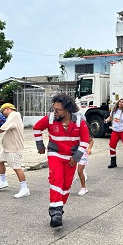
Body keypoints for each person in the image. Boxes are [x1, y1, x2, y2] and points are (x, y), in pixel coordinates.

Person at [33, 93, 90, 228]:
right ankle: (55, 213)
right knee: (56, 180)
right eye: (54, 109)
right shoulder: (50, 118)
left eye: (58, 110)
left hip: (71, 158)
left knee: (66, 186)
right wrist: (40, 145)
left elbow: (85, 141)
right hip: (55, 154)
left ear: (67, 110)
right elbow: (36, 128)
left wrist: (76, 157)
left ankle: (58, 208)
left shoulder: (79, 122)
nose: (55, 112)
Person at [0, 103, 30, 198]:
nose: (2, 113)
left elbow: (4, 127)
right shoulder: (12, 117)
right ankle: (3, 181)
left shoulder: (14, 115)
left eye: (2, 111)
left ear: (8, 108)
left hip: (14, 148)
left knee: (16, 167)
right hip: (7, 148)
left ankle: (24, 189)